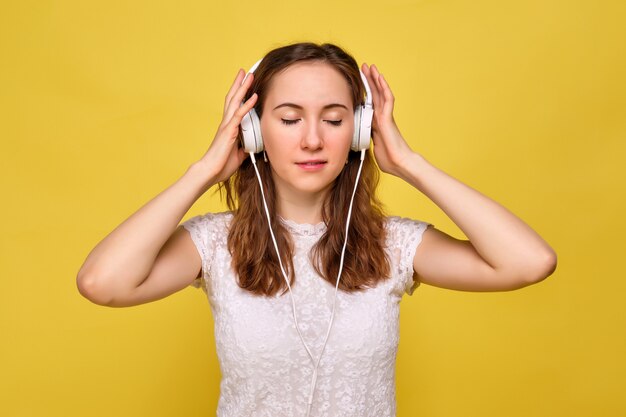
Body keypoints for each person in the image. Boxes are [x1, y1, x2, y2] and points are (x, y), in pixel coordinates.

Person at [76, 42, 557, 417]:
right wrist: (202, 171)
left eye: (333, 119)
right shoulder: (213, 243)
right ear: (254, 130)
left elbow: (529, 262)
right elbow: (102, 283)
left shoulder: (394, 244)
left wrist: (409, 164)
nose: (312, 139)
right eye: (288, 119)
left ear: (361, 132)